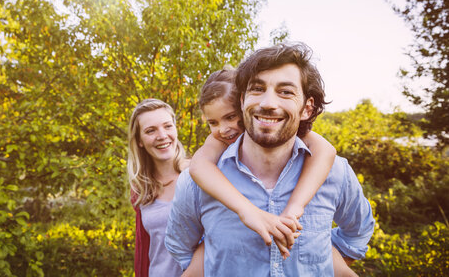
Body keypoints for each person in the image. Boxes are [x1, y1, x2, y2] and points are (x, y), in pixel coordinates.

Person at [165, 43, 375, 276]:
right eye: (257, 89)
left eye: (285, 91)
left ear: (307, 108)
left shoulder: (334, 172)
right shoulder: (197, 181)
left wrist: (326, 259)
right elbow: (180, 250)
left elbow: (357, 236)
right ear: (243, 99)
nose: (268, 103)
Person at [127, 99, 203, 277]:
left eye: (167, 126)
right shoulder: (141, 190)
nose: (162, 135)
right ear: (139, 141)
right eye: (150, 131)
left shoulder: (199, 175)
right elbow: (147, 250)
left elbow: (216, 238)